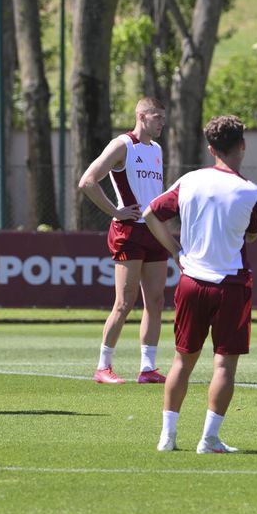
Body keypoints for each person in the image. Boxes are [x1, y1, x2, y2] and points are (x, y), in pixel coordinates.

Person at [146, 115, 257, 454]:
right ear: (242, 145)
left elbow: (151, 214)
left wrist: (175, 251)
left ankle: (167, 437)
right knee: (224, 364)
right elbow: (253, 234)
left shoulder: (190, 180)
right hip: (231, 286)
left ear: (211, 149)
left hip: (191, 282)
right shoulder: (251, 191)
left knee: (181, 362)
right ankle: (209, 439)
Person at [78, 97, 169, 384]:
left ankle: (148, 368)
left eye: (163, 117)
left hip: (154, 231)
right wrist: (116, 211)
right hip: (129, 231)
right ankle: (103, 367)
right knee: (124, 302)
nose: (162, 122)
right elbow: (88, 181)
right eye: (157, 117)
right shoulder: (123, 145)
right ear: (141, 116)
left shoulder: (156, 149)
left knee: (156, 301)